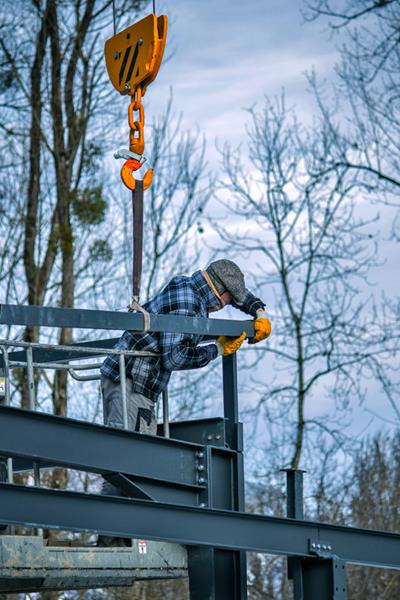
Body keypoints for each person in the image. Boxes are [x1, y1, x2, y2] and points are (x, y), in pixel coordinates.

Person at [97, 259, 271, 546]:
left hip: (133, 383)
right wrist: (216, 349)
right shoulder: (188, 303)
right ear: (220, 290)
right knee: (126, 460)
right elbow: (175, 357)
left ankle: (118, 539)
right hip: (131, 382)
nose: (227, 306)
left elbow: (239, 296)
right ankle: (110, 542)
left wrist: (258, 311)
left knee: (132, 460)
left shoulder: (191, 289)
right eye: (229, 300)